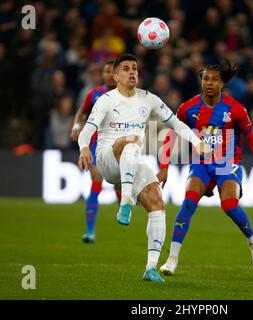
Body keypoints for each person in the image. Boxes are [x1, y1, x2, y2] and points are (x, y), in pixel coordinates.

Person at [77, 53, 211, 282]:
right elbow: (87, 130)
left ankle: (151, 268)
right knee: (129, 142)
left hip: (132, 161)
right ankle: (126, 201)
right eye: (126, 68)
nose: (132, 72)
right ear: (116, 75)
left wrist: (197, 141)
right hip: (108, 159)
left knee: (157, 203)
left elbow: (176, 123)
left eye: (135, 68)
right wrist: (83, 148)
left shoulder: (149, 99)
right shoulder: (106, 100)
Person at [157, 60, 253, 276]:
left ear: (222, 84)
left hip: (228, 165)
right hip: (201, 165)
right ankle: (172, 259)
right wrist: (164, 167)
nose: (209, 83)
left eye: (214, 79)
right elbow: (170, 135)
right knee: (188, 204)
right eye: (205, 78)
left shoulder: (236, 109)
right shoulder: (187, 109)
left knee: (228, 205)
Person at [71, 61, 121, 243]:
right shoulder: (94, 94)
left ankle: (123, 211)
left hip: (118, 145)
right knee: (97, 180)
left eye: (111, 71)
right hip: (95, 145)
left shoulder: (127, 95)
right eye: (105, 71)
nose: (108, 74)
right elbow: (81, 112)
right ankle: (90, 231)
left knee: (118, 183)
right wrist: (77, 124)